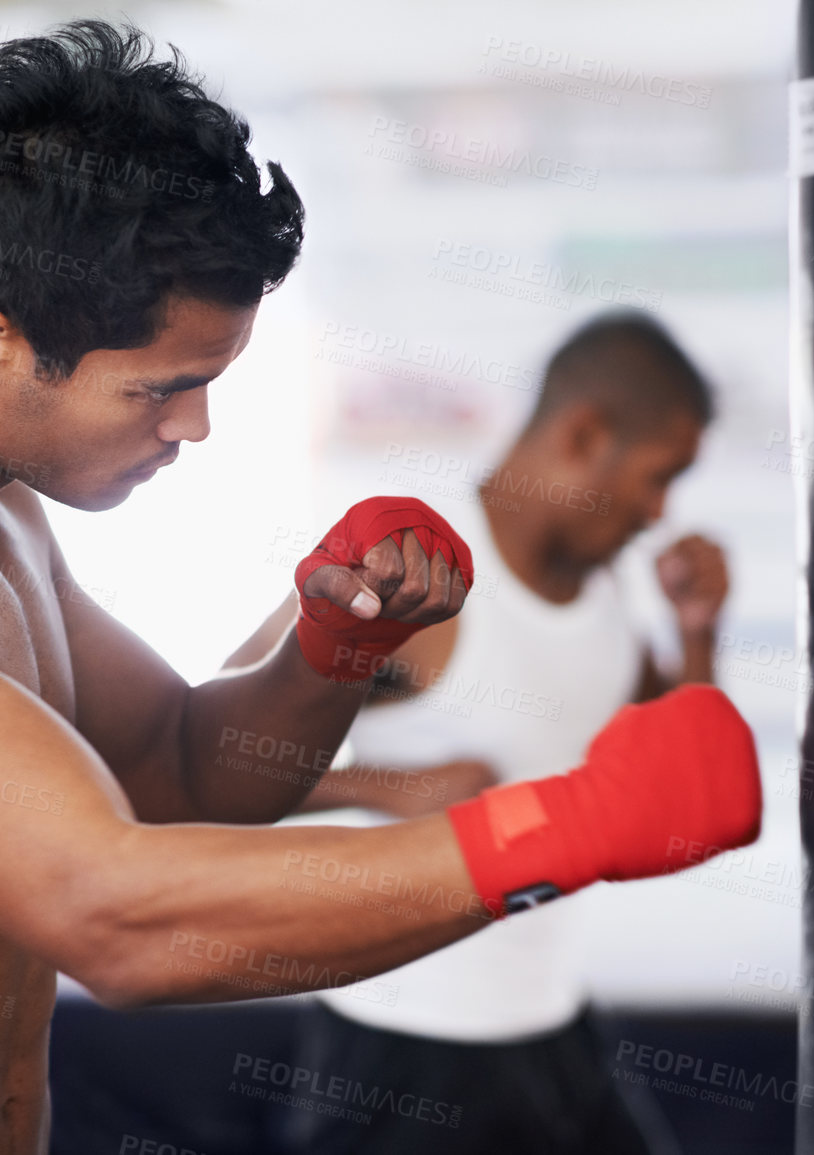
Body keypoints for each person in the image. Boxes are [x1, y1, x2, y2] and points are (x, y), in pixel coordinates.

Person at [0, 23, 761, 1155]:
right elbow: (110, 916)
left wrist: (331, 652)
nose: (194, 426)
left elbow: (183, 774)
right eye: (161, 389)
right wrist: (575, 825)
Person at [227, 312, 730, 1154]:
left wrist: (698, 630)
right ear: (585, 433)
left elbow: (686, 786)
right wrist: (392, 789)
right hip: (399, 1042)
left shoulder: (605, 601)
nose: (657, 511)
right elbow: (209, 756)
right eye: (656, 477)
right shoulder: (416, 567)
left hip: (549, 1024)